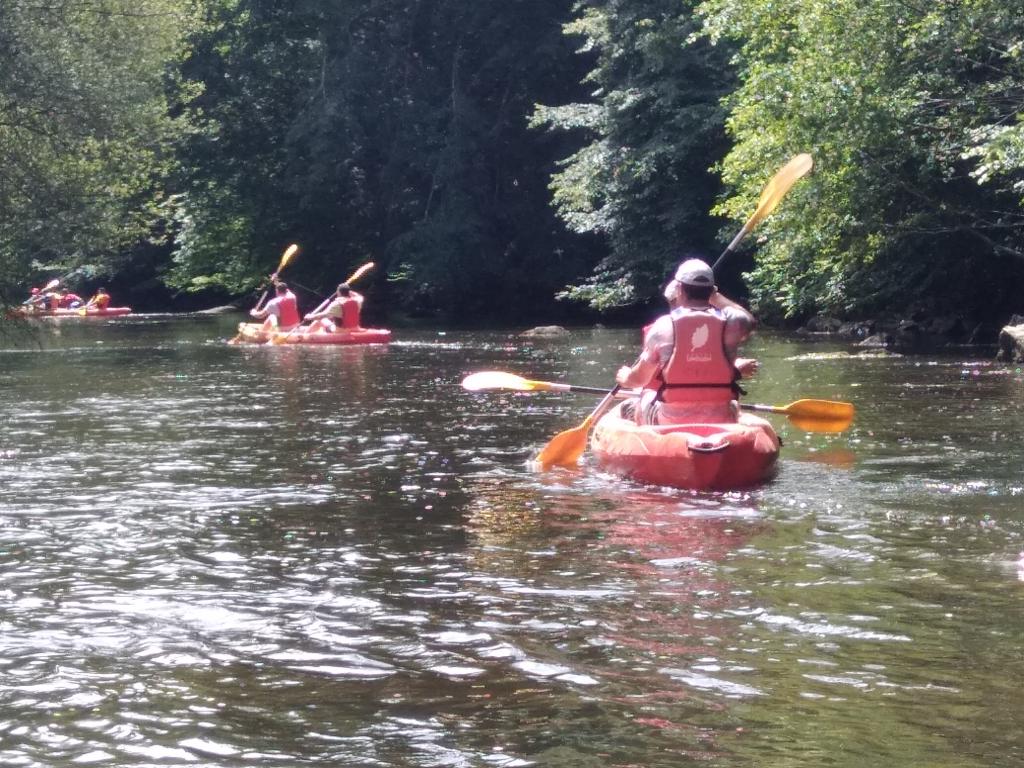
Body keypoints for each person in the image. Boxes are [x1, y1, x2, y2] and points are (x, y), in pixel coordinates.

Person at [615, 257, 757, 425]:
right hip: (721, 418)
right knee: (733, 402)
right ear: (711, 291)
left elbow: (640, 380)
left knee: (644, 395)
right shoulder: (733, 324)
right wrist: (714, 296)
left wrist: (625, 378)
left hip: (670, 421)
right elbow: (749, 320)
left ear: (679, 289)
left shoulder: (663, 326)